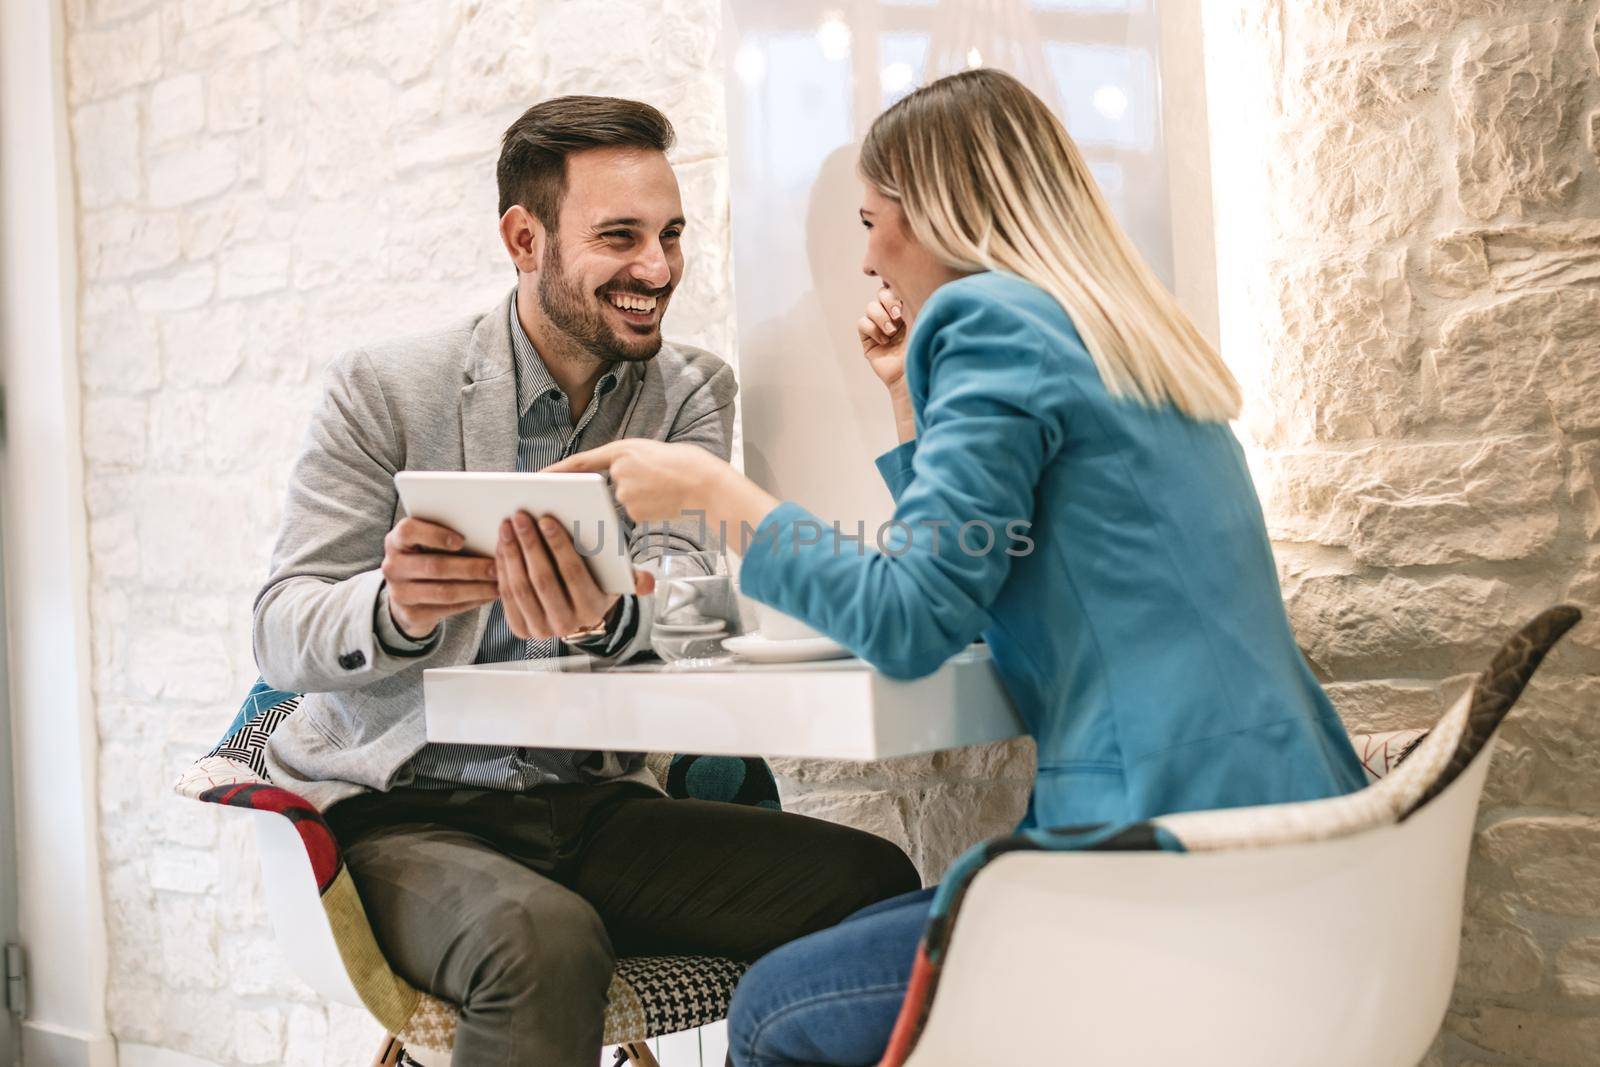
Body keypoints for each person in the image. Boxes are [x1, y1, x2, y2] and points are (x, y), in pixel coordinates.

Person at [551, 70, 1368, 1066]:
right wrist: (907, 406)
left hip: (1155, 854)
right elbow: (985, 571)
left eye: (872, 218)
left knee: (771, 1003)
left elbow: (909, 621)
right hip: (1288, 817)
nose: (865, 256)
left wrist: (711, 494)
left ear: (938, 212)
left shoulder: (982, 320)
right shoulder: (1114, 328)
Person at [253, 95, 918, 1066]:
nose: (657, 268)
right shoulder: (387, 388)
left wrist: (615, 614)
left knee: (873, 885)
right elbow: (281, 627)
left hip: (596, 805)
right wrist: (395, 609)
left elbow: (690, 606)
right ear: (525, 239)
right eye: (620, 236)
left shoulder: (688, 390)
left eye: (671, 235)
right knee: (542, 940)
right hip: (406, 812)